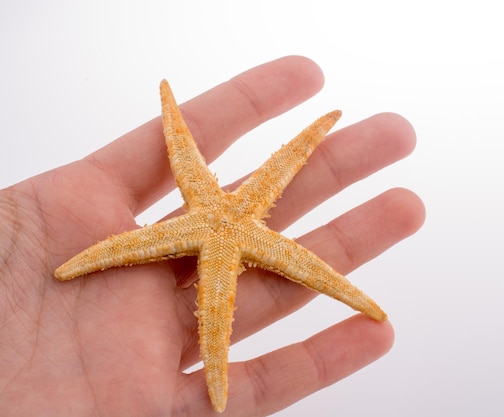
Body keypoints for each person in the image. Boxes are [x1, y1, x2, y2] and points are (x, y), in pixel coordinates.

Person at [0, 56, 425, 416]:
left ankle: (219, 375)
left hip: (225, 228)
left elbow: (282, 167)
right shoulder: (210, 214)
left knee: (314, 275)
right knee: (162, 278)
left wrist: (314, 132)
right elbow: (179, 158)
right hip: (218, 230)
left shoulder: (231, 214)